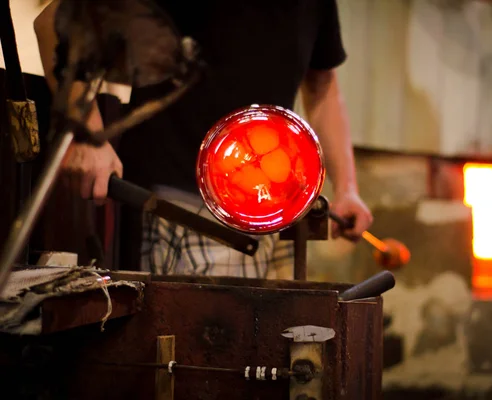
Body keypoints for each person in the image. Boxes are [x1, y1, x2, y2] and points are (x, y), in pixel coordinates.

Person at [34, 0, 372, 279]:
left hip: (270, 213)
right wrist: (86, 135)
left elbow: (322, 85)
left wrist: (347, 187)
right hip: (180, 208)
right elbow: (55, 23)